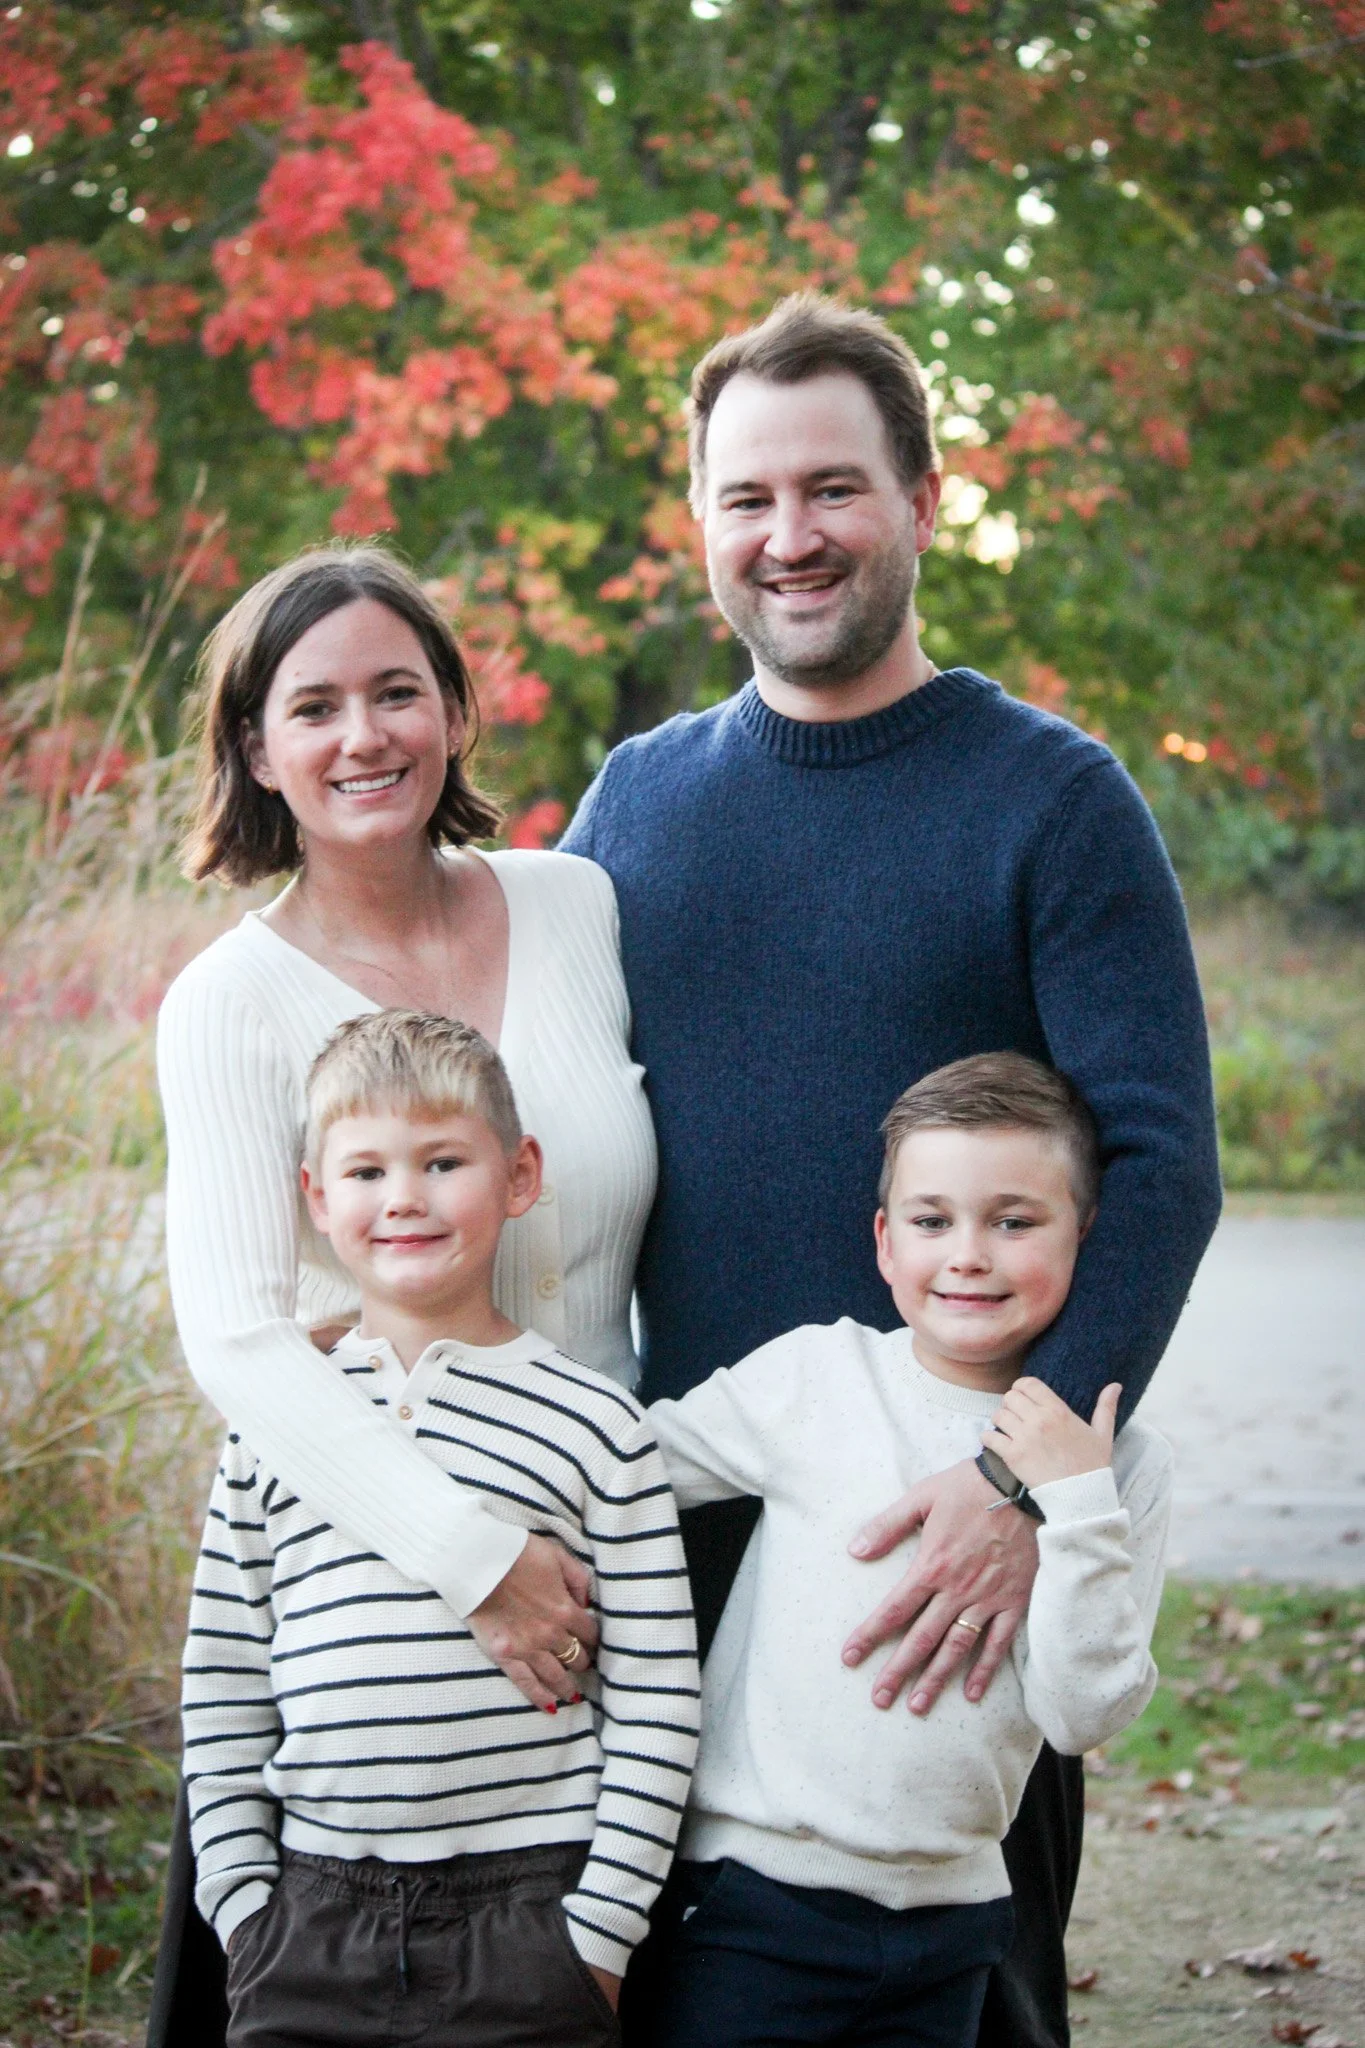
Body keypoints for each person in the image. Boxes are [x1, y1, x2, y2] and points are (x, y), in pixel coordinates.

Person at [560, 293, 1222, 2047]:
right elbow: (516, 1118)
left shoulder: (1054, 801)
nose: (790, 536)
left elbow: (1160, 1161)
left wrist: (1018, 1477)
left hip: (946, 1561)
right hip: (689, 1542)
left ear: (925, 499)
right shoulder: (632, 803)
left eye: (834, 488)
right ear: (698, 520)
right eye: (746, 496)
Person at [149, 544, 658, 2047]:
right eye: (315, 707)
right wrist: (473, 1557)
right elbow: (239, 1328)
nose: (362, 736)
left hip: (612, 1538)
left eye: (396, 692)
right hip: (385, 1584)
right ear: (257, 748)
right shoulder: (229, 1004)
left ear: (451, 713)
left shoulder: (576, 908)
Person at [182, 1009, 697, 2047]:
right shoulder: (281, 1421)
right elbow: (225, 1677)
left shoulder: (594, 1420)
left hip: (529, 1912)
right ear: (317, 1198)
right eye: (366, 1170)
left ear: (518, 1175)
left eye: (443, 1159)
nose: (404, 1196)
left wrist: (598, 1934)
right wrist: (243, 1902)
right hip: (310, 1912)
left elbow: (659, 1694)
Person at [640, 1053, 1171, 2048]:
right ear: (885, 1241)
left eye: (1015, 1221)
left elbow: (1080, 1711)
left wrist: (1074, 1500)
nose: (969, 1254)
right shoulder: (816, 1375)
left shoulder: (1122, 1459)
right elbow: (624, 1466)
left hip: (954, 1918)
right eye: (933, 1220)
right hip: (757, 1902)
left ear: (1085, 1234)